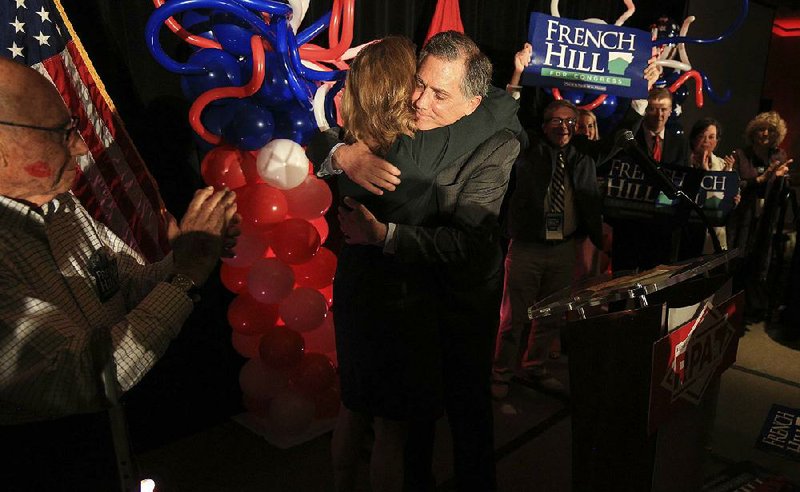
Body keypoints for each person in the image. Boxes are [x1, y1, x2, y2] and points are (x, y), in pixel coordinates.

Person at [0, 57, 238, 490]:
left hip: (115, 444)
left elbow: (126, 285)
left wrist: (187, 255)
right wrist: (185, 276)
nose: (80, 147)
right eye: (62, 133)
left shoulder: (63, 205)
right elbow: (81, 376)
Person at [312, 33, 521, 491]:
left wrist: (380, 231)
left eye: (440, 93)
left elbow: (467, 241)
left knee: (457, 409)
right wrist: (342, 152)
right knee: (397, 425)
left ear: (473, 103)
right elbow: (322, 143)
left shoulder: (493, 135)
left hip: (457, 299)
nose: (421, 101)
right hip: (399, 302)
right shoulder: (378, 138)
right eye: (418, 84)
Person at [491, 45, 660, 400]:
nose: (565, 127)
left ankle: (535, 368)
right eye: (558, 121)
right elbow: (509, 117)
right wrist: (518, 74)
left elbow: (621, 135)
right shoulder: (528, 148)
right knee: (513, 319)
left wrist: (641, 96)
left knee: (551, 317)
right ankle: (502, 374)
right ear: (545, 125)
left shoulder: (585, 156)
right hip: (526, 248)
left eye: (571, 122)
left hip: (564, 249)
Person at [610, 87, 691, 272]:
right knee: (619, 290)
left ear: (671, 111)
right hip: (628, 229)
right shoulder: (628, 139)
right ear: (646, 109)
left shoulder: (681, 145)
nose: (659, 114)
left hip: (661, 232)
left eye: (664, 109)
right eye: (654, 108)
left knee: (653, 293)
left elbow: (683, 182)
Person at [726, 111, 794, 321]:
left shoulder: (778, 156)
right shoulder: (741, 154)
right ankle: (730, 307)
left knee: (759, 262)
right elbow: (737, 185)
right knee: (739, 260)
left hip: (766, 219)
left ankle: (750, 309)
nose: (764, 133)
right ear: (753, 132)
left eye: (770, 130)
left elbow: (781, 192)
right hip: (742, 217)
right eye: (761, 129)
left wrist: (781, 179)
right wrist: (762, 179)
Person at [687, 117, 736, 253]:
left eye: (711, 137)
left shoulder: (722, 164)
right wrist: (704, 174)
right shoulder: (683, 162)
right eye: (702, 136)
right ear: (693, 138)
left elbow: (725, 203)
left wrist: (733, 196)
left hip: (713, 232)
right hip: (689, 227)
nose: (706, 141)